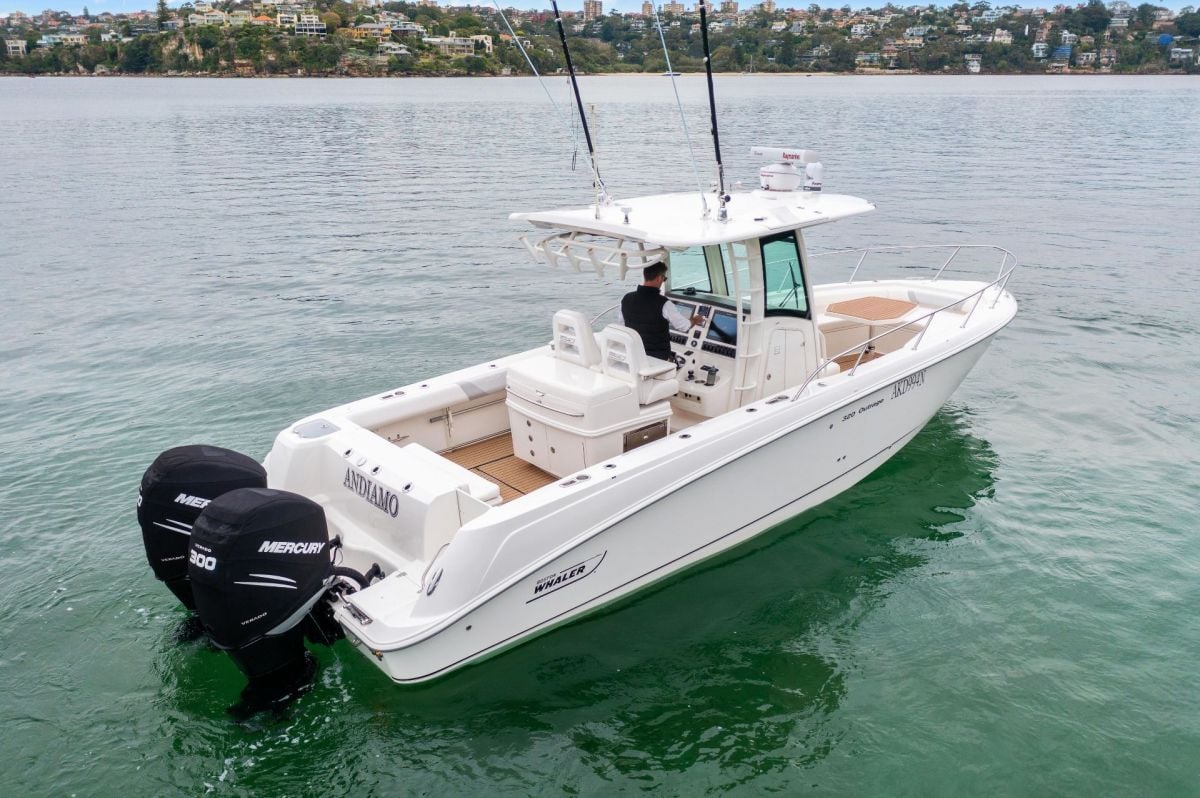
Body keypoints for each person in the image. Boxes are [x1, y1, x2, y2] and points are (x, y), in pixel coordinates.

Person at [619, 262, 703, 364]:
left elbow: (622, 324)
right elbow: (684, 326)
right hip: (658, 360)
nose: (663, 281)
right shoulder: (664, 303)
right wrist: (696, 319)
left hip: (634, 356)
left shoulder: (626, 298)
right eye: (664, 278)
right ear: (659, 278)